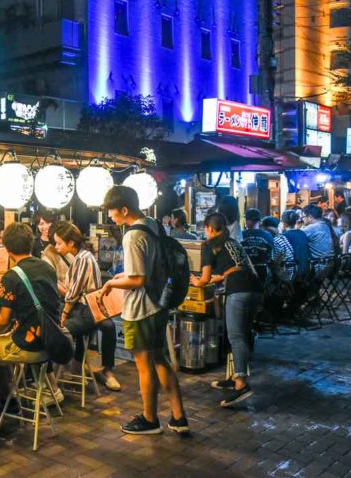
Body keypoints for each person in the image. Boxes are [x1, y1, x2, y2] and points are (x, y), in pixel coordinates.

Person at [100, 186, 188, 434]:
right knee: (160, 359)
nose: (110, 217)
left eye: (112, 212)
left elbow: (137, 279)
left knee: (144, 365)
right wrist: (122, 276)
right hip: (158, 303)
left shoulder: (132, 236)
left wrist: (110, 282)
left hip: (141, 309)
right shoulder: (152, 223)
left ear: (124, 209)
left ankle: (150, 419)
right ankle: (179, 417)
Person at [190, 212, 262, 407]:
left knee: (236, 336)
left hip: (238, 290)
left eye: (205, 228)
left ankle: (241, 385)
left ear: (210, 228)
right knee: (244, 334)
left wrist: (196, 282)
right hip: (255, 288)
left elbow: (204, 279)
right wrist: (217, 278)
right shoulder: (233, 243)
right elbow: (234, 268)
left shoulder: (208, 245)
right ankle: (233, 377)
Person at [0, 223, 62, 403]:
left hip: (31, 345)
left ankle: (6, 394)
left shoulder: (11, 276)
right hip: (52, 336)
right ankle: (51, 389)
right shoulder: (47, 268)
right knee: (26, 330)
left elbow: (3, 319)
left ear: (7, 249)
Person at [54, 222, 121, 391]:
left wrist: (64, 312)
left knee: (106, 327)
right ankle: (78, 368)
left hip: (87, 307)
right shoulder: (81, 256)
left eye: (59, 243)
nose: (56, 247)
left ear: (71, 243)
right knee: (99, 327)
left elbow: (74, 292)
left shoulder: (83, 258)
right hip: (86, 307)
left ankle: (103, 371)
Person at [41, 222, 74, 297]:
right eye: (56, 243)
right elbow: (52, 280)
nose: (56, 246)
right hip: (65, 298)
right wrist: (69, 296)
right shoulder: (47, 255)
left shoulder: (73, 251)